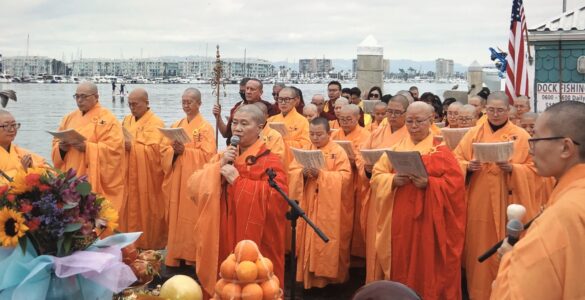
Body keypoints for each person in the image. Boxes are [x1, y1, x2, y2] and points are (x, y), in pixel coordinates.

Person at [187, 105, 288, 297]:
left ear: (260, 127)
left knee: (255, 285)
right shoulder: (225, 156)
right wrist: (218, 167)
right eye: (234, 122)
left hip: (256, 237)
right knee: (226, 277)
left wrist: (239, 182)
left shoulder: (270, 161)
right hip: (224, 229)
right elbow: (193, 188)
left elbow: (278, 200)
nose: (237, 128)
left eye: (244, 123)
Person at [370, 102, 466, 299]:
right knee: (401, 260)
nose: (414, 126)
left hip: (429, 222)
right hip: (400, 219)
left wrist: (430, 184)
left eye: (419, 121)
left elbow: (455, 187)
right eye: (410, 121)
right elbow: (377, 176)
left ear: (431, 121)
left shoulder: (441, 151)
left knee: (427, 264)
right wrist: (392, 180)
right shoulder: (396, 149)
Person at [491, 101, 585, 299]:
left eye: (535, 139)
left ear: (566, 148)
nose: (530, 149)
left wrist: (510, 256)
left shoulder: (562, 215)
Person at [454, 91, 536, 300]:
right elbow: (456, 160)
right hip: (479, 203)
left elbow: (534, 168)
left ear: (508, 110)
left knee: (509, 251)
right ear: (484, 110)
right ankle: (478, 295)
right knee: (478, 251)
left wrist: (513, 168)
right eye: (491, 109)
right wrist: (468, 166)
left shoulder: (522, 136)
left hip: (510, 201)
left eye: (500, 110)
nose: (496, 114)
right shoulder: (473, 133)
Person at [289, 117, 352, 288]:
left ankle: (331, 282)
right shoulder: (305, 148)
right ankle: (307, 280)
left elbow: (346, 177)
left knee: (327, 241)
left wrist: (321, 175)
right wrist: (302, 173)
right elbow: (292, 170)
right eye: (312, 134)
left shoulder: (338, 151)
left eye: (319, 134)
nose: (315, 138)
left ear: (328, 133)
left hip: (329, 206)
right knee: (307, 239)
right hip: (308, 202)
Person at [51, 81, 126, 210]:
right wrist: (61, 149)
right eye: (77, 96)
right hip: (70, 177)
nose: (80, 100)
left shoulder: (109, 119)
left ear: (96, 97)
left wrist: (88, 148)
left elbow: (115, 149)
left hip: (91, 178)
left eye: (84, 96)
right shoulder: (69, 118)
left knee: (91, 218)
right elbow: (55, 143)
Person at [164, 88, 217, 268]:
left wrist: (185, 151)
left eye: (190, 102)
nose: (186, 105)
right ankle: (176, 254)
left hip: (193, 180)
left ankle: (192, 258)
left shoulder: (205, 128)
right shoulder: (177, 124)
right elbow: (164, 150)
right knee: (176, 215)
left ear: (199, 103)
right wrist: (172, 151)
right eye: (184, 101)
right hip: (178, 176)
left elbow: (209, 155)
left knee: (191, 217)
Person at [119, 88, 167, 249]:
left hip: (147, 181)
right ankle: (128, 247)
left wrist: (131, 147)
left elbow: (156, 152)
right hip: (127, 176)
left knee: (148, 213)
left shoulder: (156, 123)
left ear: (146, 103)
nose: (132, 108)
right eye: (129, 104)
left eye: (135, 104)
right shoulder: (126, 120)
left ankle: (149, 247)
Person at [331, 104, 372, 259]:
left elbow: (365, 159)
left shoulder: (366, 135)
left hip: (358, 181)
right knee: (341, 219)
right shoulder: (334, 135)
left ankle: (358, 257)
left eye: (349, 119)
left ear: (358, 118)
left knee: (357, 219)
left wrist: (355, 161)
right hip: (340, 182)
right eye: (342, 119)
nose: (345, 122)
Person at [213, 78, 277, 142]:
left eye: (252, 89)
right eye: (247, 89)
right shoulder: (238, 106)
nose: (248, 92)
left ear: (261, 92)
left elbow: (273, 135)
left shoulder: (268, 108)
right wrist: (218, 116)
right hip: (235, 147)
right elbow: (226, 134)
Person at [0, 109, 46, 183]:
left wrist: (31, 168)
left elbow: (50, 172)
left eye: (14, 125)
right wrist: (22, 170)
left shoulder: (22, 153)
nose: (12, 129)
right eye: (6, 125)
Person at [267, 87, 311, 162]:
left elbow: (306, 145)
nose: (283, 103)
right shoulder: (271, 120)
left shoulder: (303, 121)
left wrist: (281, 141)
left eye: (287, 99)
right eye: (280, 99)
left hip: (291, 162)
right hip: (273, 161)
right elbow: (262, 140)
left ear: (296, 100)